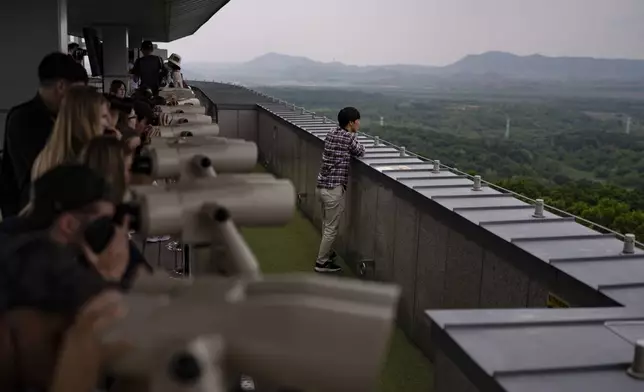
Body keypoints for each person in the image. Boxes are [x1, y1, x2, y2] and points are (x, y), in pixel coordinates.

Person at [0, 164, 130, 314]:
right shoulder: (31, 278)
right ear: (69, 224)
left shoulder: (20, 247)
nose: (110, 231)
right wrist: (108, 277)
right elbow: (94, 331)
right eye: (103, 223)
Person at [0, 52, 88, 218]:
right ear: (61, 86)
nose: (79, 102)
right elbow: (45, 172)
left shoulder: (58, 117)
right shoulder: (23, 118)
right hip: (29, 217)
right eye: (77, 94)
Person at [81, 137, 153, 287]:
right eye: (127, 169)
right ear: (114, 174)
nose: (129, 176)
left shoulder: (84, 214)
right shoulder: (105, 230)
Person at [314, 107, 365, 273]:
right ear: (351, 123)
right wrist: (353, 135)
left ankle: (327, 255)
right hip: (333, 190)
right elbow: (360, 151)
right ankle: (321, 263)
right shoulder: (347, 138)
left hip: (321, 186)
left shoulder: (331, 132)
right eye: (357, 121)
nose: (359, 123)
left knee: (326, 224)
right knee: (330, 229)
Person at [31, 86, 110, 181]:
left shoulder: (45, 157)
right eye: (104, 116)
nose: (109, 122)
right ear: (85, 120)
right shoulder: (86, 163)